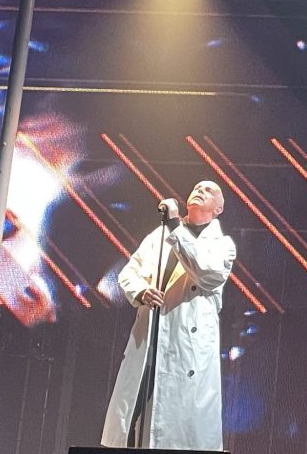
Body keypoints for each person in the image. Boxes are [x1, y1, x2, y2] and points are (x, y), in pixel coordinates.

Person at [101, 180, 236, 450]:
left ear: (219, 209)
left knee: (178, 428)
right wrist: (141, 291)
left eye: (209, 190)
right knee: (133, 418)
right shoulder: (159, 236)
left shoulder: (222, 245)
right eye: (197, 187)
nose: (200, 190)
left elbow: (206, 272)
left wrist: (175, 227)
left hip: (187, 347)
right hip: (151, 337)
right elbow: (129, 272)